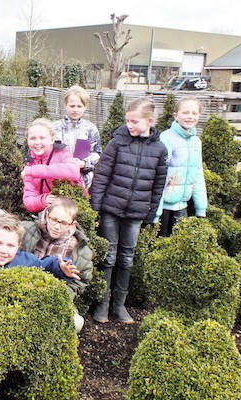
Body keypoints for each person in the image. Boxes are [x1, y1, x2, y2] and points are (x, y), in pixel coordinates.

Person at [90, 97, 167, 324]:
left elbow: (158, 184)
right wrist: (96, 207)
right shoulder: (117, 143)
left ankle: (119, 305)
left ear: (149, 121)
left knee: (126, 258)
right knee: (108, 257)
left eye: (135, 121)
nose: (130, 125)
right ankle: (102, 305)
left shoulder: (159, 149)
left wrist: (151, 213)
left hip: (135, 213)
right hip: (111, 210)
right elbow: (101, 176)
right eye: (128, 121)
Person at [20, 197, 93, 332]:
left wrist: (56, 295)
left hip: (51, 296)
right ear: (47, 215)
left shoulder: (81, 251)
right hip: (20, 286)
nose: (57, 226)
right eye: (54, 220)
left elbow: (79, 282)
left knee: (76, 323)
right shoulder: (26, 229)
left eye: (64, 223)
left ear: (72, 224)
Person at [156, 97, 207, 236]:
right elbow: (159, 175)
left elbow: (198, 174)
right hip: (163, 209)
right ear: (176, 116)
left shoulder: (197, 142)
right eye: (185, 113)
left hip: (182, 206)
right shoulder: (166, 138)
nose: (190, 116)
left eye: (194, 113)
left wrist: (201, 208)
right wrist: (157, 210)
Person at [22, 118, 86, 213]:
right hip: (48, 213)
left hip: (74, 209)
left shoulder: (62, 153)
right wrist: (43, 200)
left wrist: (34, 171)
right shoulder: (30, 162)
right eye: (32, 138)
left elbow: (74, 172)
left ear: (52, 139)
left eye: (42, 138)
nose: (37, 142)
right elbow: (28, 201)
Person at [52, 85, 102, 188]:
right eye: (72, 106)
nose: (75, 110)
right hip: (57, 180)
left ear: (85, 107)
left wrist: (84, 163)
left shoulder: (90, 128)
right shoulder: (54, 127)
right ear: (65, 105)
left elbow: (97, 154)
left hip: (83, 182)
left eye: (79, 106)